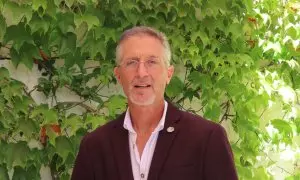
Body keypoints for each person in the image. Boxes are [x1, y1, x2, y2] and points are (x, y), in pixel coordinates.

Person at [71, 26, 238, 180]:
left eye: (152, 62)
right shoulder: (95, 146)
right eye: (132, 62)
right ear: (118, 75)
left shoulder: (207, 138)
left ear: (169, 74)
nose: (141, 72)